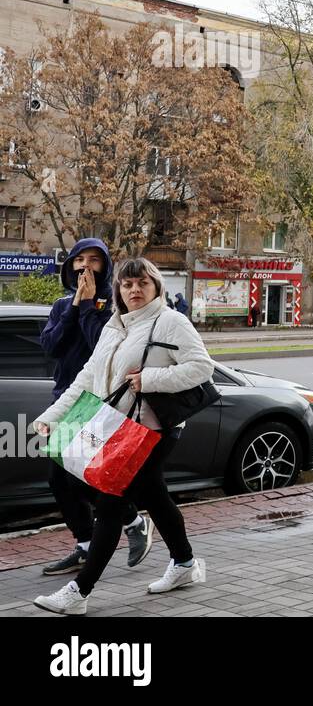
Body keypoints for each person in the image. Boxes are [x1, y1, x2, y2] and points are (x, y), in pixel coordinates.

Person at [32, 257, 213, 616]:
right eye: (127, 285)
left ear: (156, 287)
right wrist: (51, 416)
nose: (134, 290)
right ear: (118, 289)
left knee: (111, 503)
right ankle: (184, 563)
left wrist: (151, 379)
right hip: (114, 426)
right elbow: (86, 376)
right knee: (152, 495)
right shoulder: (114, 326)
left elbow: (202, 367)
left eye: (143, 283)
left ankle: (79, 592)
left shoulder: (171, 322)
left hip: (155, 429)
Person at [38, 238, 153, 576]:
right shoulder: (62, 304)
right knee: (62, 480)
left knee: (74, 475)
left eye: (94, 260)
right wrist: (74, 306)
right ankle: (94, 540)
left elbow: (101, 349)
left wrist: (89, 306)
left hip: (98, 400)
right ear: (69, 266)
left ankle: (129, 522)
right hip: (65, 397)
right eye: (79, 260)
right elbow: (51, 346)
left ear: (105, 267)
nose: (86, 266)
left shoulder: (113, 307)